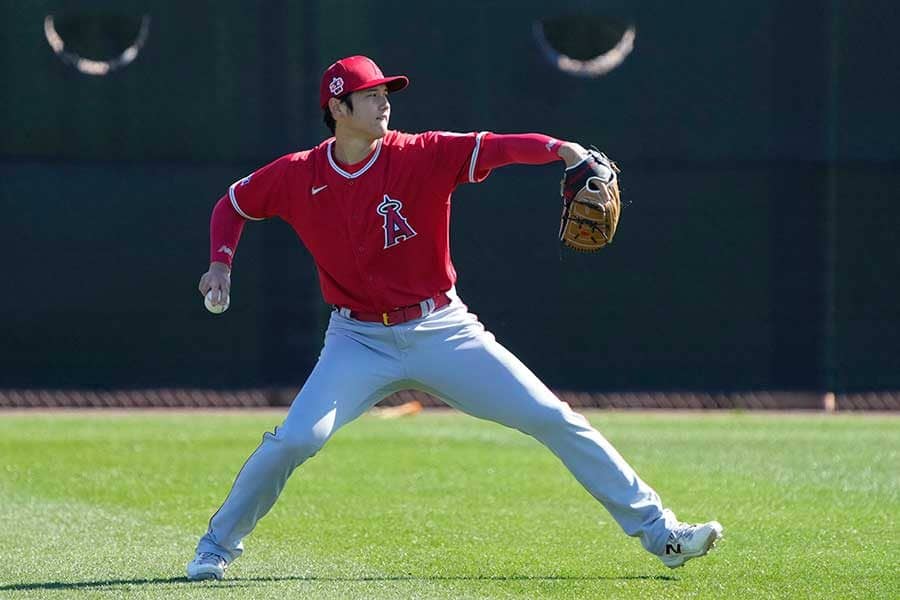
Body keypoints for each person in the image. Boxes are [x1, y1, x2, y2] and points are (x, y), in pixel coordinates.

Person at [187, 55, 722, 581]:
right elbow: (231, 205)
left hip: (441, 328)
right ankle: (215, 547)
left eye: (386, 94)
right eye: (371, 95)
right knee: (295, 440)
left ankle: (661, 532)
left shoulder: (422, 153)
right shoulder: (298, 173)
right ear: (338, 107)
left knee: (552, 417)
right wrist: (220, 263)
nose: (384, 103)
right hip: (357, 339)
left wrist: (563, 149)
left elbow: (498, 146)